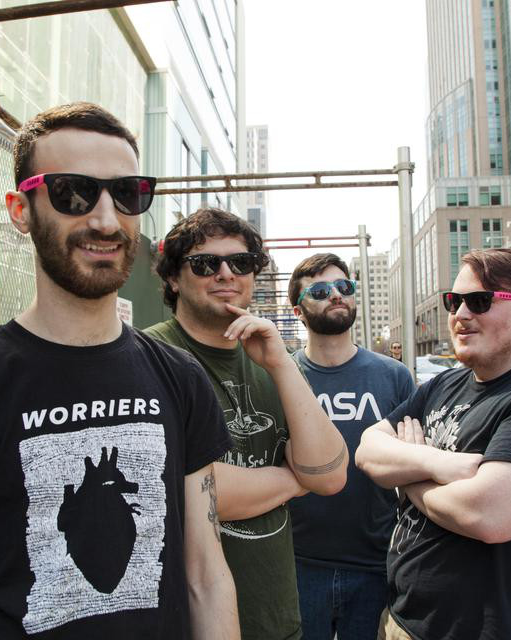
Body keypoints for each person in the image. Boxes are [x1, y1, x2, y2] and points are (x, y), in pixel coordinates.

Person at [0, 103, 239, 640]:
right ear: (20, 210)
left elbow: (206, 577)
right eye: (73, 193)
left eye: (127, 193)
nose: (106, 219)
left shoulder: (181, 377)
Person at [355, 248, 511, 640]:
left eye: (479, 301)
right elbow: (367, 449)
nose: (460, 314)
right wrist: (436, 463)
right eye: (453, 301)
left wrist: (408, 477)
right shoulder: (445, 383)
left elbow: (487, 515)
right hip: (401, 621)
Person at [145, 208, 348, 640]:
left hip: (278, 618)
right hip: (189, 622)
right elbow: (175, 490)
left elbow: (330, 476)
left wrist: (280, 363)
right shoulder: (148, 356)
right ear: (173, 278)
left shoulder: (275, 362)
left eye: (240, 262)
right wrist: (294, 480)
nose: (226, 273)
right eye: (205, 263)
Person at [287, 254, 414, 640]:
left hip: (375, 563)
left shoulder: (394, 376)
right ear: (298, 310)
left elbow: (412, 467)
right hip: (298, 563)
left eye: (344, 287)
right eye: (320, 291)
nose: (336, 295)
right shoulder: (281, 376)